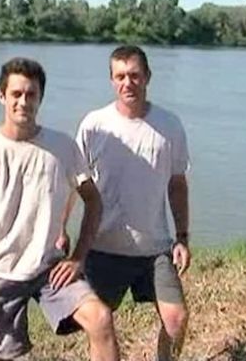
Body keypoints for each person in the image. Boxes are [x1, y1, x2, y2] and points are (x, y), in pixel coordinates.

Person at [0, 57, 120, 361]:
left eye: (31, 94)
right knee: (11, 356)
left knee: (101, 320)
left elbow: (93, 201)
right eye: (16, 94)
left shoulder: (64, 147)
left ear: (40, 98)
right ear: (1, 96)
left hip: (49, 269)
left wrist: (78, 257)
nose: (23, 102)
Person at [75, 45, 191, 361]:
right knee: (99, 326)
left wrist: (182, 237)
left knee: (177, 320)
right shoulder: (93, 125)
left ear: (148, 77)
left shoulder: (170, 126)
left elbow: (177, 183)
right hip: (102, 248)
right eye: (120, 76)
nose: (128, 83)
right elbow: (74, 185)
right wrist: (65, 239)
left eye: (135, 75)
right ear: (112, 80)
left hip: (154, 250)